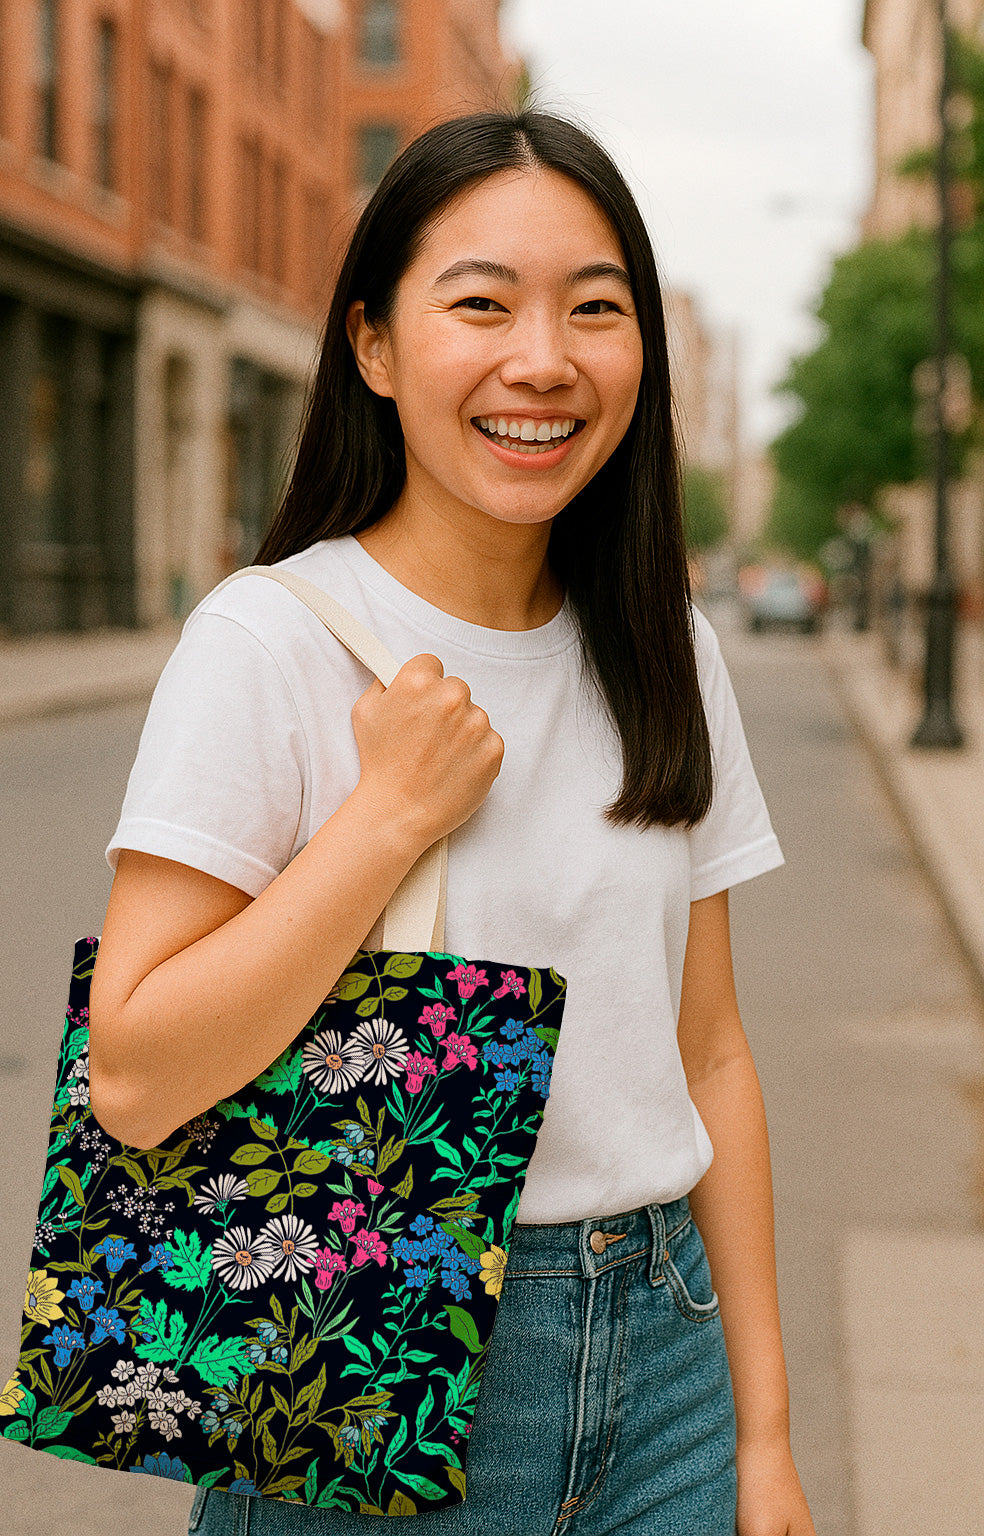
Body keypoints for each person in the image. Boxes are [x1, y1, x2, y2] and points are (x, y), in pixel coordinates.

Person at [89, 110, 815, 1536]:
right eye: (480, 303)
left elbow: (711, 1049)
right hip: (376, 1329)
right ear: (373, 345)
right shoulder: (273, 640)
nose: (541, 360)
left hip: (665, 1354)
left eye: (594, 311)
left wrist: (765, 1433)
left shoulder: (664, 642)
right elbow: (136, 1071)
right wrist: (383, 821)